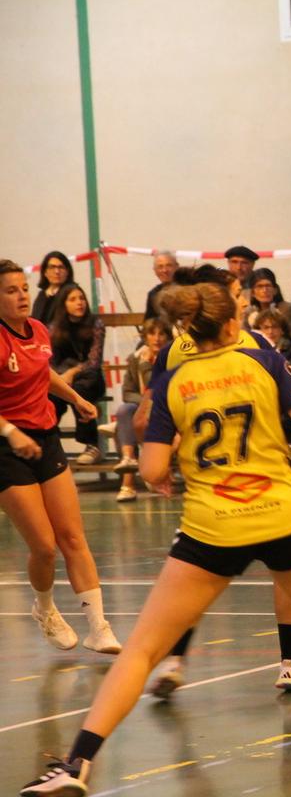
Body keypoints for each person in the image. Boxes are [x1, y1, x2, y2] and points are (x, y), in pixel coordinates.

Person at [21, 282, 291, 796]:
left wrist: (165, 471)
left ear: (188, 327)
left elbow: (152, 468)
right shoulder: (265, 361)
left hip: (213, 526)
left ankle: (77, 763)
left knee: (142, 649)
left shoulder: (174, 380)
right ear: (233, 323)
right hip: (284, 516)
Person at [133, 265, 291, 700]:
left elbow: (146, 419)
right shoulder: (257, 346)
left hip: (210, 488)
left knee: (193, 578)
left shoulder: (173, 353)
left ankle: (176, 659)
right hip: (266, 481)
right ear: (221, 302)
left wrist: (171, 450)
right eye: (237, 293)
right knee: (289, 575)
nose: (244, 301)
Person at [0, 259, 121, 656]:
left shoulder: (36, 329)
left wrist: (77, 398)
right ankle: (46, 609)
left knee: (72, 536)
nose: (20, 296)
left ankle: (98, 626)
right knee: (45, 547)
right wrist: (11, 432)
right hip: (7, 447)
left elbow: (43, 372)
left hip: (45, 439)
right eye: (10, 290)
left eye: (22, 288)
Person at [112, 318, 171, 502]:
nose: (157, 338)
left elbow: (158, 389)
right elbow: (127, 392)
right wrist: (143, 404)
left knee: (133, 418)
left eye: (161, 333)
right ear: (145, 337)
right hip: (142, 410)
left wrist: (146, 367)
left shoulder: (171, 358)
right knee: (125, 410)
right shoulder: (135, 358)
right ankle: (129, 460)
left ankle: (129, 482)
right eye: (152, 334)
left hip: (166, 409)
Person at [49, 285, 106, 465]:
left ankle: (92, 445)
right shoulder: (54, 327)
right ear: (63, 304)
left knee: (80, 391)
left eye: (81, 298)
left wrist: (71, 373)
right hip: (62, 376)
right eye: (73, 299)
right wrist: (62, 377)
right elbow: (50, 361)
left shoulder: (96, 323)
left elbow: (94, 362)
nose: (79, 303)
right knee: (50, 395)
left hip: (89, 378)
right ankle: (49, 443)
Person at [245, 267, 291, 342]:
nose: (264, 290)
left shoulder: (287, 310)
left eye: (268, 286)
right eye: (260, 286)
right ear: (253, 293)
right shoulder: (249, 312)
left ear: (275, 290)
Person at [253, 308, 291, 374]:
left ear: (282, 330)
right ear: (259, 330)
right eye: (266, 327)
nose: (270, 332)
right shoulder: (254, 350)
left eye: (275, 327)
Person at [32, 251, 76, 324]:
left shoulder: (73, 292)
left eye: (61, 267)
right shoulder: (41, 295)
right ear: (45, 272)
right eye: (52, 267)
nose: (57, 271)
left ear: (67, 271)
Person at [143, 249, 178, 322]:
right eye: (160, 267)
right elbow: (149, 324)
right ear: (155, 271)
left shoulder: (188, 289)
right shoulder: (153, 294)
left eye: (169, 265)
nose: (164, 270)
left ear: (177, 267)